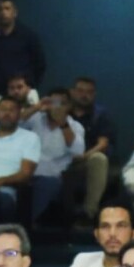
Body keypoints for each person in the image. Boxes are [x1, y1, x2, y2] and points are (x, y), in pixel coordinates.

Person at [20, 87, 85, 222]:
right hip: (27, 171)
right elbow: (15, 123)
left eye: (62, 104)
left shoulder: (75, 126)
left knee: (47, 184)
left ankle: (32, 225)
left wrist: (63, 124)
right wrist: (37, 107)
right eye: (54, 102)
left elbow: (78, 150)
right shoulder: (36, 119)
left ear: (69, 106)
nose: (57, 107)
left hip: (53, 175)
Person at [64, 76, 115, 227]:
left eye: (89, 92)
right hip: (59, 158)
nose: (84, 95)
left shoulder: (100, 115)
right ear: (72, 92)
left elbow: (103, 143)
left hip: (85, 161)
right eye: (80, 91)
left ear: (94, 94)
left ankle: (88, 213)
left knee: (99, 158)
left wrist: (83, 156)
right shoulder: (62, 112)